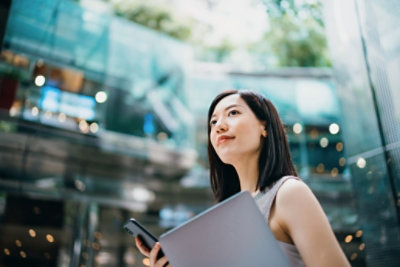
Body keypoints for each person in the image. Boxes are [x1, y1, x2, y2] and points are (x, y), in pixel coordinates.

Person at [135, 89, 350, 267]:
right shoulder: (227, 217)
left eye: (233, 113)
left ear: (264, 126)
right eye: (213, 122)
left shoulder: (288, 193)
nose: (219, 126)